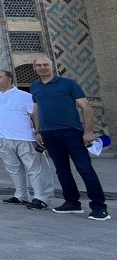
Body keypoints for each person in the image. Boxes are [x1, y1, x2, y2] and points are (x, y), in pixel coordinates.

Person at [31, 56, 108, 220]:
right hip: (49, 134)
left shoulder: (68, 84)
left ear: (52, 66)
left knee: (85, 169)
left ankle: (99, 207)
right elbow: (37, 109)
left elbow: (86, 107)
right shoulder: (35, 86)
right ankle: (72, 202)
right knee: (62, 170)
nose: (43, 68)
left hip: (71, 132)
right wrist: (38, 131)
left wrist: (88, 132)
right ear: (34, 68)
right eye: (39, 65)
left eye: (46, 65)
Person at [0, 69, 53, 210]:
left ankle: (41, 197)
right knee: (13, 168)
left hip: (24, 138)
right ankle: (21, 195)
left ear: (9, 79)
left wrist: (38, 132)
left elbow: (35, 115)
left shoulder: (24, 96)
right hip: (1, 138)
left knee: (35, 168)